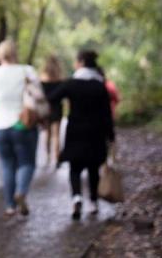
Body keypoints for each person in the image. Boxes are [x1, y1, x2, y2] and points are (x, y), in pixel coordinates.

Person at [48, 49, 114, 220]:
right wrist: (111, 136)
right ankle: (93, 202)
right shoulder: (100, 85)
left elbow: (52, 97)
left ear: (82, 62)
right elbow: (107, 114)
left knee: (75, 168)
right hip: (96, 131)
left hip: (75, 130)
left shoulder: (71, 83)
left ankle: (76, 198)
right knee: (93, 168)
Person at [0, 39, 40, 216]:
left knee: (7, 165)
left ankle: (10, 205)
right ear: (15, 52)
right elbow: (38, 96)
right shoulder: (27, 71)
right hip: (23, 123)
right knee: (27, 162)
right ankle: (21, 191)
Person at [39, 55, 65, 167]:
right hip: (57, 108)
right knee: (56, 135)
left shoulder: (42, 78)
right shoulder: (60, 79)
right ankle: (57, 157)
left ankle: (48, 157)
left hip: (46, 109)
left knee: (47, 134)